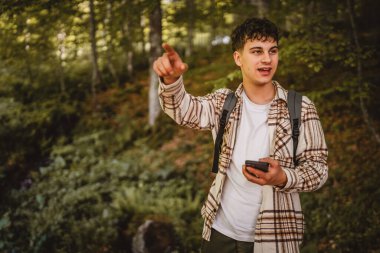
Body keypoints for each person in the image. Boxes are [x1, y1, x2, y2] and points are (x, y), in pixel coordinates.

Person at [153, 17, 328, 253]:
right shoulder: (223, 102)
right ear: (238, 58)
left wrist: (283, 177)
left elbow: (319, 170)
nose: (267, 59)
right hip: (219, 232)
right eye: (257, 51)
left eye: (272, 51)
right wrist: (171, 80)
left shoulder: (300, 107)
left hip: (275, 238)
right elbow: (184, 111)